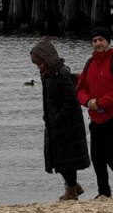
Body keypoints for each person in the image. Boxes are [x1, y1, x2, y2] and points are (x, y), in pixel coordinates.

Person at [75, 26, 113, 198]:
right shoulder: (90, 63)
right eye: (94, 41)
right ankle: (104, 192)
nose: (98, 43)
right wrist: (88, 102)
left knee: (108, 151)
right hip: (97, 116)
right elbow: (80, 88)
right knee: (96, 155)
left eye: (101, 40)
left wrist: (101, 102)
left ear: (108, 41)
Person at [30, 39, 90, 201]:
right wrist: (48, 117)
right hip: (54, 122)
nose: (38, 67)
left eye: (39, 63)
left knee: (66, 159)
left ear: (47, 59)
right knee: (57, 157)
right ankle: (73, 186)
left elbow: (71, 100)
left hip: (67, 124)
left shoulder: (61, 73)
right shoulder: (48, 75)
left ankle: (72, 189)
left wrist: (57, 117)